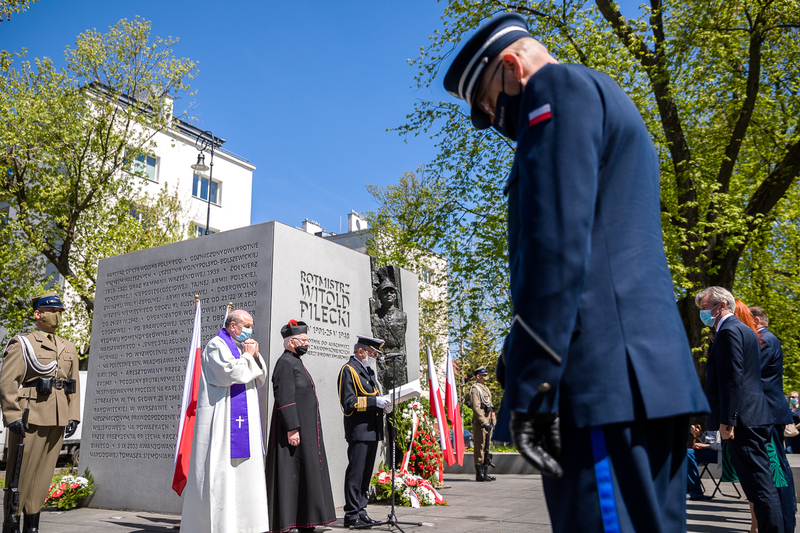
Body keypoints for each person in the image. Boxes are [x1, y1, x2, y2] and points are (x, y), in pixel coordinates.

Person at [443, 12, 709, 532]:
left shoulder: (555, 88)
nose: (498, 123)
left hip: (597, 383)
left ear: (513, 68)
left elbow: (555, 243)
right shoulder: (606, 94)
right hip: (642, 380)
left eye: (492, 108)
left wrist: (536, 385)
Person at [697, 287, 783, 532]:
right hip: (753, 415)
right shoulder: (744, 329)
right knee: (759, 484)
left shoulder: (729, 331)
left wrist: (729, 419)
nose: (702, 314)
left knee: (759, 485)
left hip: (743, 419)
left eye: (704, 308)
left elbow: (733, 378)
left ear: (721, 306)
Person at [180, 309, 269, 533]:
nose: (250, 330)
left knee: (246, 477)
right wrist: (249, 358)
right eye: (246, 325)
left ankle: (246, 525)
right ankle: (222, 526)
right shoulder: (215, 346)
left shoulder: (241, 348)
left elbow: (260, 376)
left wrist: (255, 356)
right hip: (223, 422)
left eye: (251, 325)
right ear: (233, 326)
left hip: (242, 423)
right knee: (223, 474)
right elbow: (231, 374)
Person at [0, 292, 81, 533]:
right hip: (30, 416)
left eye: (60, 312)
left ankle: (32, 526)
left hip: (57, 417)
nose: (58, 316)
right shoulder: (23, 343)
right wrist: (12, 416)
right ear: (38, 314)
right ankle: (12, 523)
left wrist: (73, 415)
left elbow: (72, 384)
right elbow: (7, 383)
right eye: (53, 311)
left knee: (44, 475)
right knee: (21, 474)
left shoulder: (68, 347)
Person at [266, 320, 336, 533]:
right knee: (291, 474)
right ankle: (287, 521)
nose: (306, 343)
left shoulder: (295, 361)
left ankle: (306, 519)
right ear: (291, 341)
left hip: (305, 429)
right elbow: (284, 396)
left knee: (306, 473)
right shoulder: (285, 362)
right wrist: (292, 428)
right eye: (303, 340)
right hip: (294, 430)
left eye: (306, 340)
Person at [749, 305, 796, 533]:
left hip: (768, 414)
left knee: (777, 469)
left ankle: (785, 523)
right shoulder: (767, 339)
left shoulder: (765, 340)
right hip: (770, 413)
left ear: (756, 320)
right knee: (778, 468)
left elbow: (751, 372)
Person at [338, 335, 393, 529]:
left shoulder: (368, 372)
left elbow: (374, 398)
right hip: (359, 430)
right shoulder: (349, 370)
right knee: (356, 473)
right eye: (373, 354)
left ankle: (361, 511)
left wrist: (383, 406)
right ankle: (351, 514)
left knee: (366, 474)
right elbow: (348, 403)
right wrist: (374, 402)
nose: (375, 358)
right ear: (361, 351)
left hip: (372, 430)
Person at [470, 366, 495, 482]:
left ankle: (485, 473)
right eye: (484, 375)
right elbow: (476, 407)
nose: (486, 377)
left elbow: (490, 407)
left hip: (488, 421)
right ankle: (479, 473)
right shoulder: (475, 389)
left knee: (487, 447)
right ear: (478, 376)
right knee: (480, 447)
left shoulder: (485, 388)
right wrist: (484, 422)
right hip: (480, 422)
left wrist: (492, 421)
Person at [686, 425, 720, 500]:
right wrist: (700, 435)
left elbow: (726, 445)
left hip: (722, 453)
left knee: (688, 454)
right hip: (712, 450)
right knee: (684, 453)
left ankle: (695, 491)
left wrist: (707, 446)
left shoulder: (726, 421)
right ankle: (687, 489)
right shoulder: (713, 420)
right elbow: (710, 440)